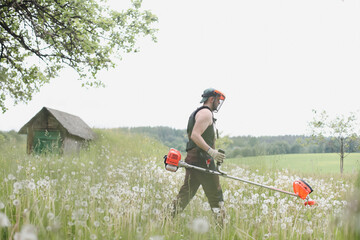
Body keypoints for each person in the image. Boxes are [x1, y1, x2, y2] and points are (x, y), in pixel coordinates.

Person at [172, 88, 226, 223]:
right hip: (203, 160)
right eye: (218, 100)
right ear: (211, 99)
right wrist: (211, 152)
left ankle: (165, 219)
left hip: (194, 159)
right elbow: (195, 135)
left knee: (185, 195)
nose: (219, 103)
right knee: (216, 195)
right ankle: (222, 228)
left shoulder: (198, 113)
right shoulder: (206, 113)